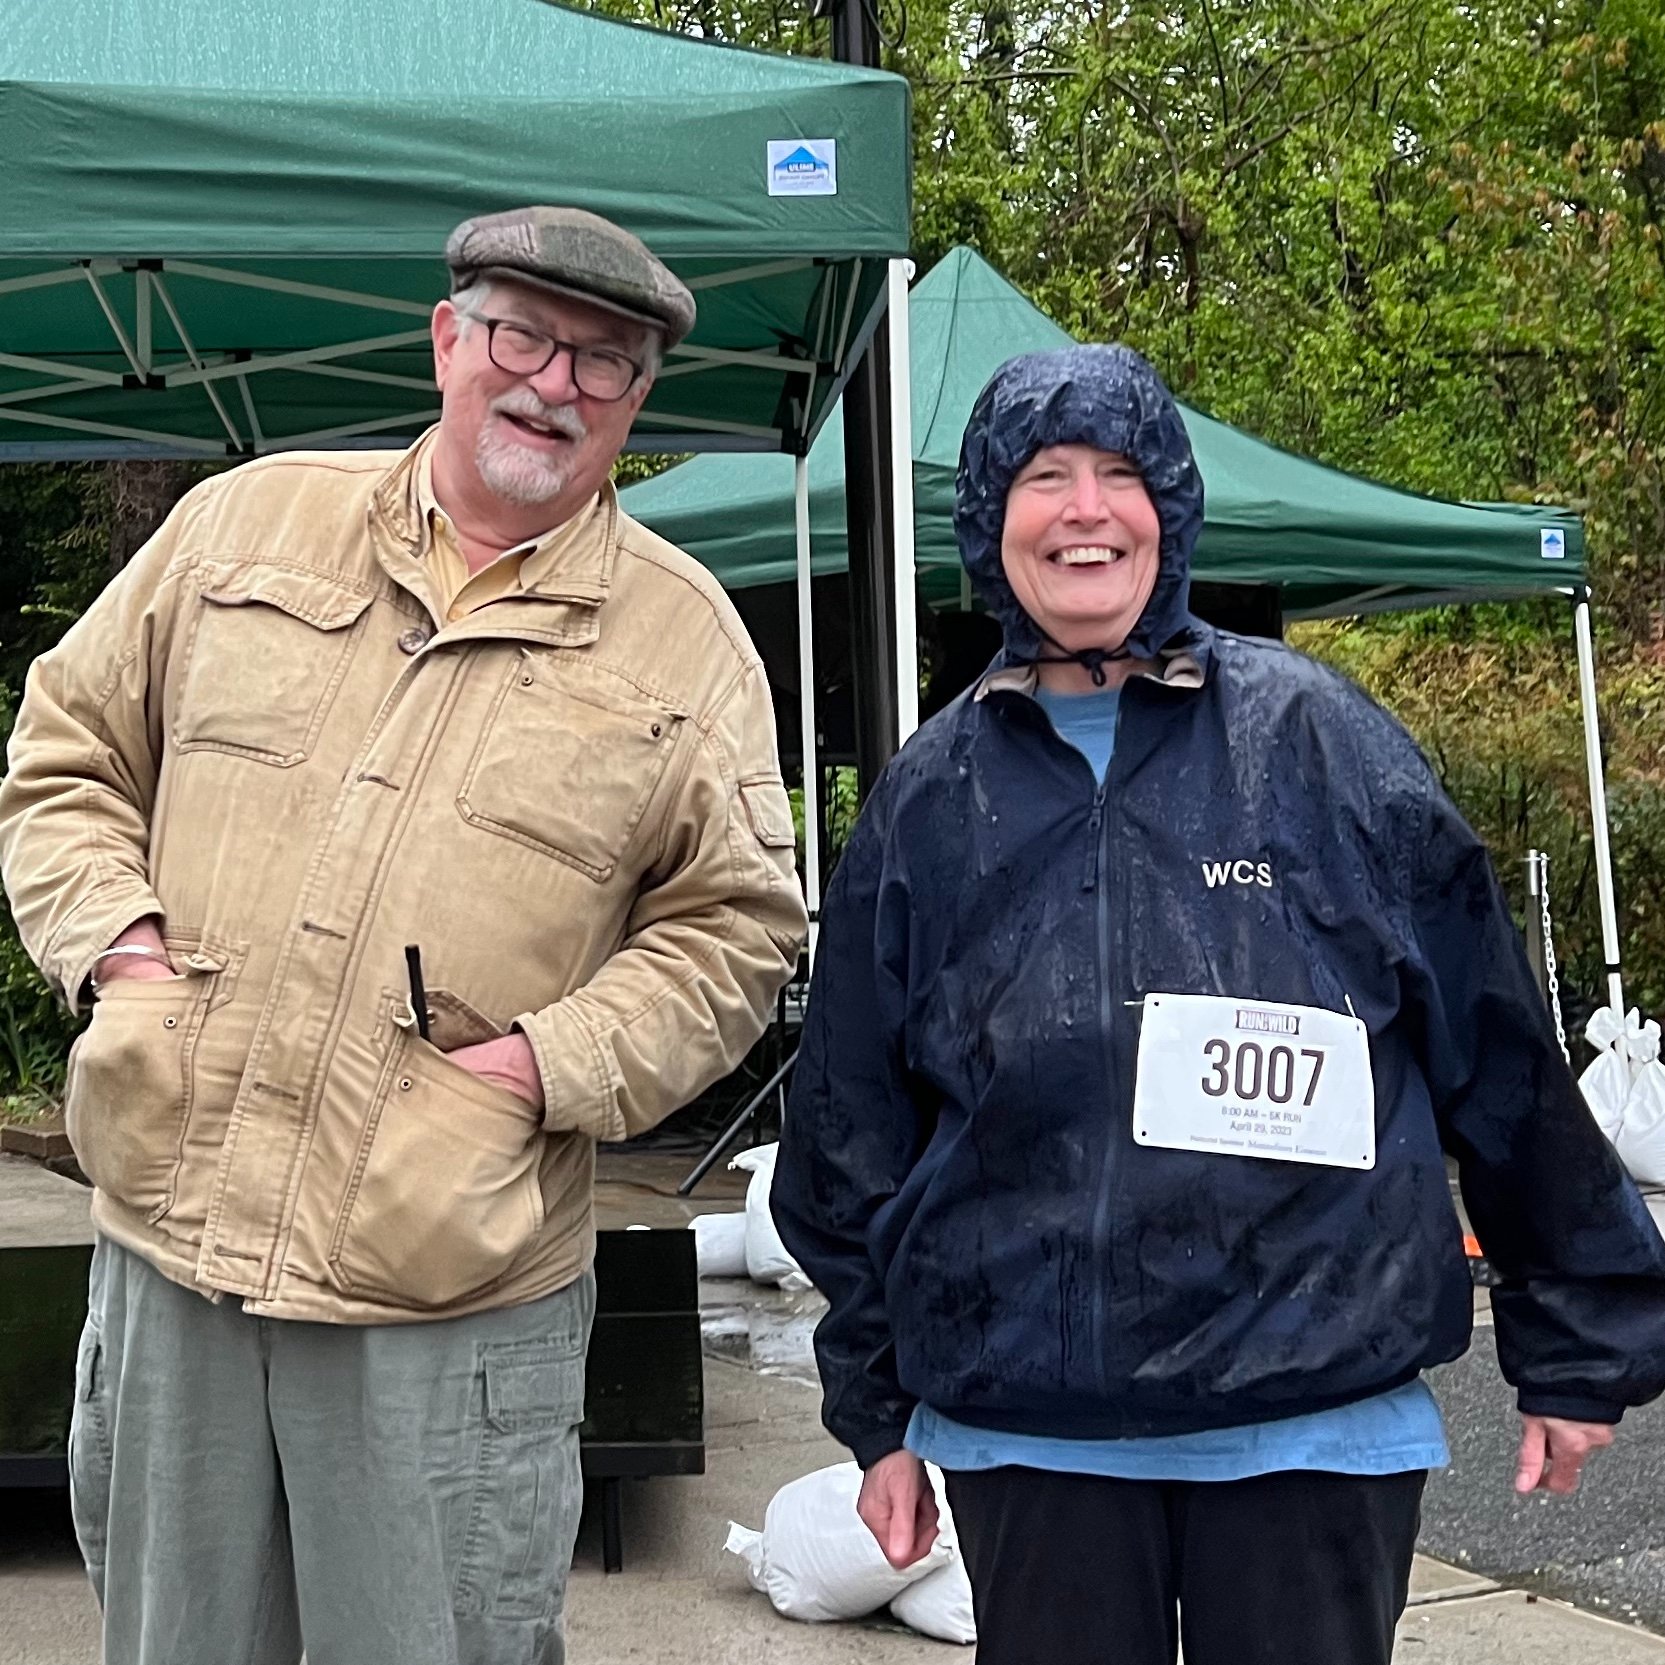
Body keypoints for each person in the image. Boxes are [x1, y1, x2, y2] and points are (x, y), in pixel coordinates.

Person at [771, 344, 1665, 1665]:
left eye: (1120, 474)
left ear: (1171, 507)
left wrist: (1577, 1338)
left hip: (1312, 1423)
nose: (1084, 509)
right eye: (1042, 477)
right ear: (985, 517)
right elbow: (850, 1127)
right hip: (1034, 1435)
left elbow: (1493, 1048)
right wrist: (878, 1408)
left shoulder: (1318, 741)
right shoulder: (927, 799)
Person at [0, 205, 807, 1665]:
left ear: (636, 405)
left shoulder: (684, 642)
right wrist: (121, 957)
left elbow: (734, 932)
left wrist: (530, 1074)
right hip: (174, 1235)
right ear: (447, 341)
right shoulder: (243, 523)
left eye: (604, 364)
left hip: (448, 1291)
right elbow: (66, 754)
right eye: (523, 336)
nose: (554, 383)